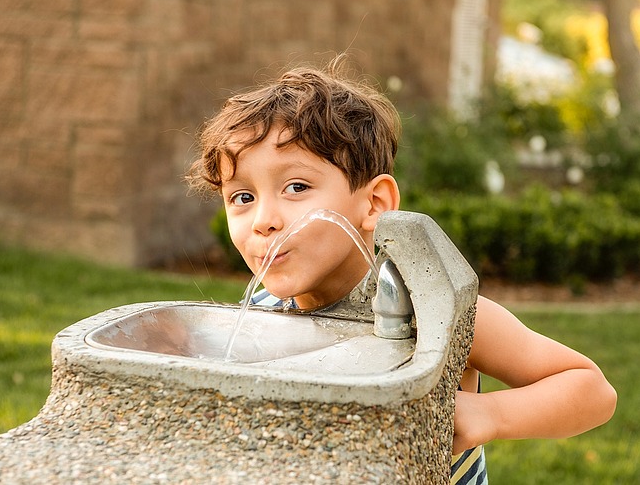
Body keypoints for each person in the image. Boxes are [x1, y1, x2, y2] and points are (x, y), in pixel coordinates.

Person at [187, 59, 617, 484]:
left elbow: (591, 389)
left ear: (374, 203)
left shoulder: (431, 310)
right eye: (242, 197)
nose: (264, 219)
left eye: (296, 187)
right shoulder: (261, 313)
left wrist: (485, 414)